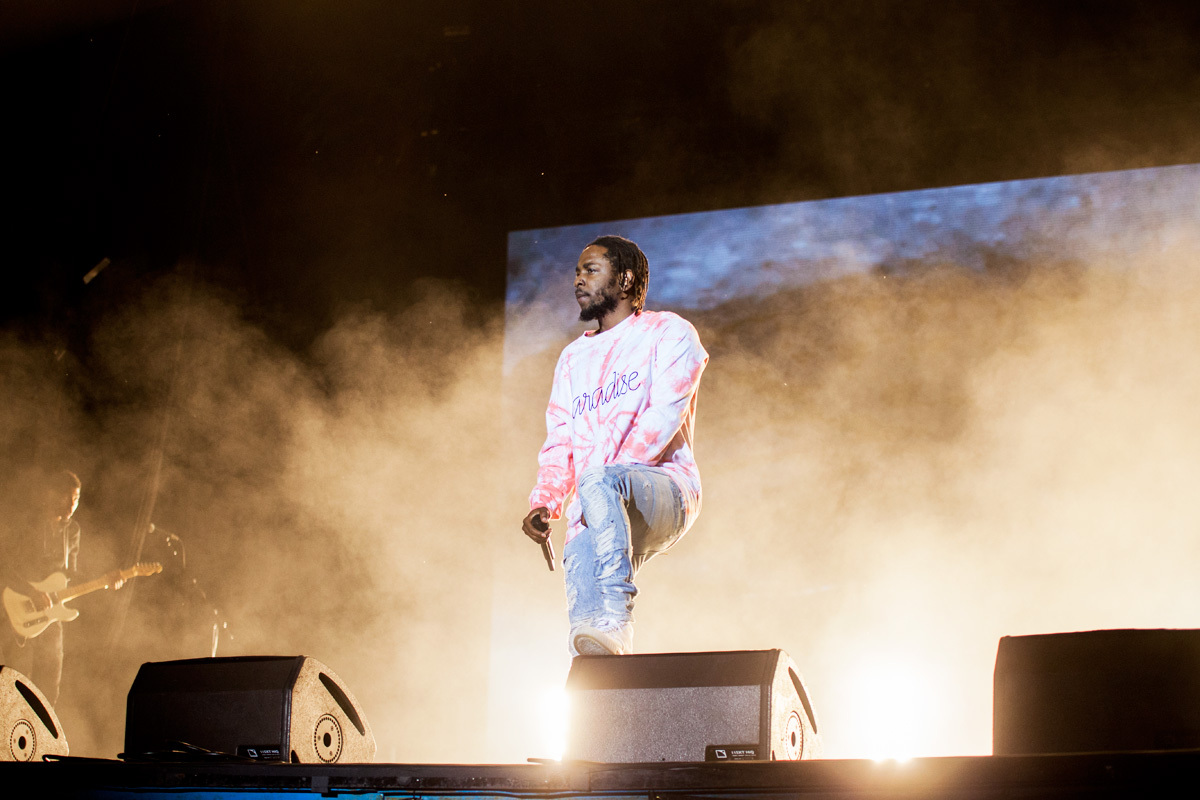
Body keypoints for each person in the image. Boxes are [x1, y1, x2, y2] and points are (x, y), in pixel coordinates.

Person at [522, 235, 708, 656]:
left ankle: (620, 616)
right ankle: (605, 683)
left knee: (598, 481)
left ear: (624, 280)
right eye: (576, 272)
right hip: (596, 504)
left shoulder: (670, 333)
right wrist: (546, 501)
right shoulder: (572, 359)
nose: (577, 281)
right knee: (588, 640)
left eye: (590, 271)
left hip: (663, 489)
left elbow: (663, 418)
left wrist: (598, 485)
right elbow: (560, 440)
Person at [0, 469, 84, 704]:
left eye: (76, 500)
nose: (71, 505)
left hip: (52, 619)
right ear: (50, 494)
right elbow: (4, 564)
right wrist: (31, 592)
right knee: (16, 686)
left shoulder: (73, 531)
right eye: (66, 497)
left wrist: (106, 581)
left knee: (48, 693)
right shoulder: (25, 523)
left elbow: (72, 576)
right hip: (18, 610)